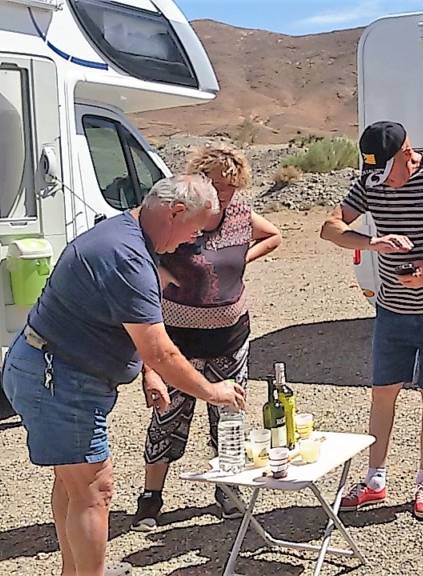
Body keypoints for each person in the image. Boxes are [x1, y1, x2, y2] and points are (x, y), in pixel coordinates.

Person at [1, 174, 247, 576]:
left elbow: (130, 327)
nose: (192, 241)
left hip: (49, 368)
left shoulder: (123, 233)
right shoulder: (127, 255)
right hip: (60, 378)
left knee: (73, 483)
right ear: (176, 212)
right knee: (95, 490)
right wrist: (211, 391)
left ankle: (75, 572)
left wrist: (147, 373)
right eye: (194, 229)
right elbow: (160, 349)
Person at [320, 121, 423, 520]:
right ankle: (375, 480)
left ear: (407, 154)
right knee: (383, 392)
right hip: (392, 311)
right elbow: (330, 228)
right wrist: (371, 242)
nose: (383, 185)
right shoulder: (372, 182)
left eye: (387, 173)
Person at [131, 144, 282, 530]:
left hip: (230, 336)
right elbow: (143, 252)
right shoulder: (185, 215)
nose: (225, 192)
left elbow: (274, 236)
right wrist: (159, 277)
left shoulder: (240, 214)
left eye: (231, 186)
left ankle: (228, 493)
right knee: (166, 415)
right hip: (178, 337)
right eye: (218, 184)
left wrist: (242, 258)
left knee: (228, 417)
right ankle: (151, 498)